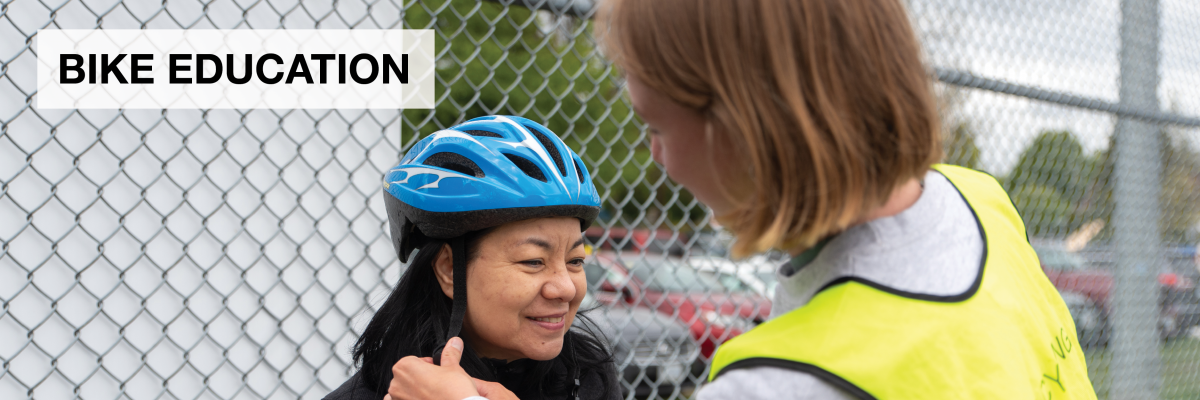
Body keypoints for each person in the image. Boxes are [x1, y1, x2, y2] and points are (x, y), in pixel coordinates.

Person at [595, 0, 1097, 399]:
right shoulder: (982, 200)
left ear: (750, 131)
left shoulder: (777, 385)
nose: (658, 156)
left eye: (655, 126)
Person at [322, 115, 620, 400]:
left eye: (575, 261)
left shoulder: (590, 376)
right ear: (449, 269)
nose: (567, 288)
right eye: (533, 261)